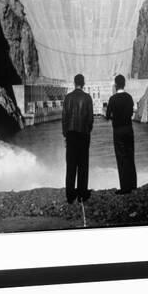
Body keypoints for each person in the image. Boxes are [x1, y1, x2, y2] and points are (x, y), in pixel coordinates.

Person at [62, 74, 94, 203]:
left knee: (71, 165)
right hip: (83, 135)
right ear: (83, 83)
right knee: (83, 164)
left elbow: (64, 118)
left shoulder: (68, 97)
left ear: (74, 83)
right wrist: (87, 131)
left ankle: (70, 195)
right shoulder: (87, 98)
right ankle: (82, 194)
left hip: (71, 134)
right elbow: (90, 119)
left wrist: (66, 134)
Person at [106, 74, 137, 194]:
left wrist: (114, 116)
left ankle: (125, 187)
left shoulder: (112, 99)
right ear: (124, 84)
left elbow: (108, 115)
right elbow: (130, 114)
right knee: (130, 156)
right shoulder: (129, 97)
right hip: (129, 129)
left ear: (116, 85)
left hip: (118, 131)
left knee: (121, 158)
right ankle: (133, 185)